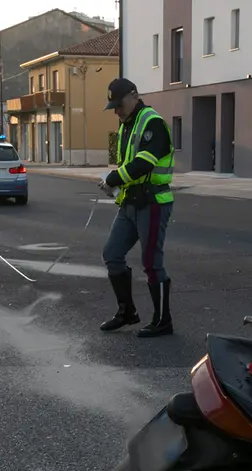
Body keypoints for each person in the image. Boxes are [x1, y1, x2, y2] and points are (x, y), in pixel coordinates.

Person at [98, 78, 175, 338]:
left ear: (134, 95)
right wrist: (115, 183)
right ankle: (126, 312)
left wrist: (113, 178)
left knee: (152, 263)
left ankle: (163, 321)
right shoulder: (126, 125)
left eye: (119, 105)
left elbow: (145, 163)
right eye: (114, 107)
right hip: (130, 202)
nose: (117, 111)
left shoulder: (152, 122)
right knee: (112, 254)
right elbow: (124, 162)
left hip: (153, 202)